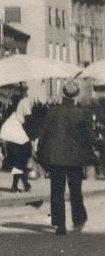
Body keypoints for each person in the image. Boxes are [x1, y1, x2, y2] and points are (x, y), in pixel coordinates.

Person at [38, 80, 99, 235]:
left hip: (56, 157)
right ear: (76, 95)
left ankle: (60, 224)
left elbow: (43, 135)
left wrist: (41, 157)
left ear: (63, 94)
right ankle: (78, 219)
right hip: (75, 158)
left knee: (57, 191)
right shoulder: (83, 113)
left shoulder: (52, 112)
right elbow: (89, 138)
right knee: (75, 190)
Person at [0, 96, 34, 192]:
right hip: (16, 139)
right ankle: (15, 186)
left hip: (10, 138)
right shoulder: (24, 105)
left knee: (19, 163)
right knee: (20, 163)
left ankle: (24, 184)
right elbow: (28, 118)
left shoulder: (13, 114)